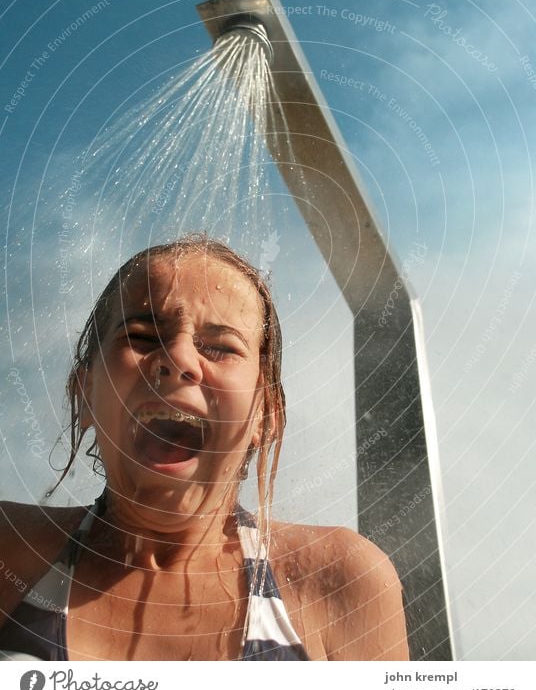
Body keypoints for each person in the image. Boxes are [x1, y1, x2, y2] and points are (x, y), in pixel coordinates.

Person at [0, 235, 409, 661]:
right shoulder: (9, 546)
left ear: (264, 416)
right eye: (141, 335)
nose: (179, 359)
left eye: (220, 347)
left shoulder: (337, 578)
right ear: (84, 393)